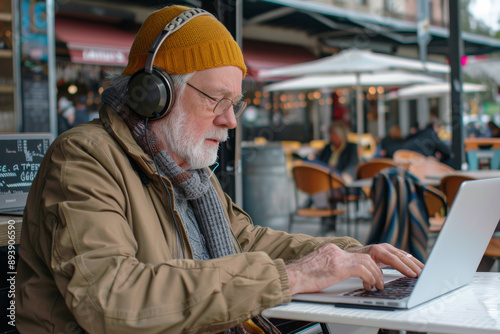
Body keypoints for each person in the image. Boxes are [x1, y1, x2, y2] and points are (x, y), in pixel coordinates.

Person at [15, 6, 423, 334]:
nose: (231, 120)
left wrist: (347, 254)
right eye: (217, 99)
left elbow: (244, 240)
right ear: (155, 95)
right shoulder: (83, 158)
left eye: (236, 104)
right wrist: (292, 276)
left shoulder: (186, 165)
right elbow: (110, 299)